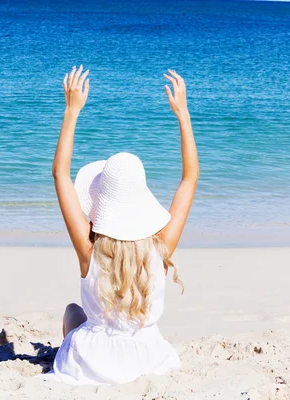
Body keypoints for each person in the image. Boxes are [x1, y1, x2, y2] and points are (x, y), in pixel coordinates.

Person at [50, 65, 199, 385]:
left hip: (89, 364)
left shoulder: (89, 251)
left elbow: (60, 174)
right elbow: (189, 179)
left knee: (72, 312)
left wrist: (72, 110)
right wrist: (182, 115)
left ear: (101, 203)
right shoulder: (161, 249)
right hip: (147, 359)